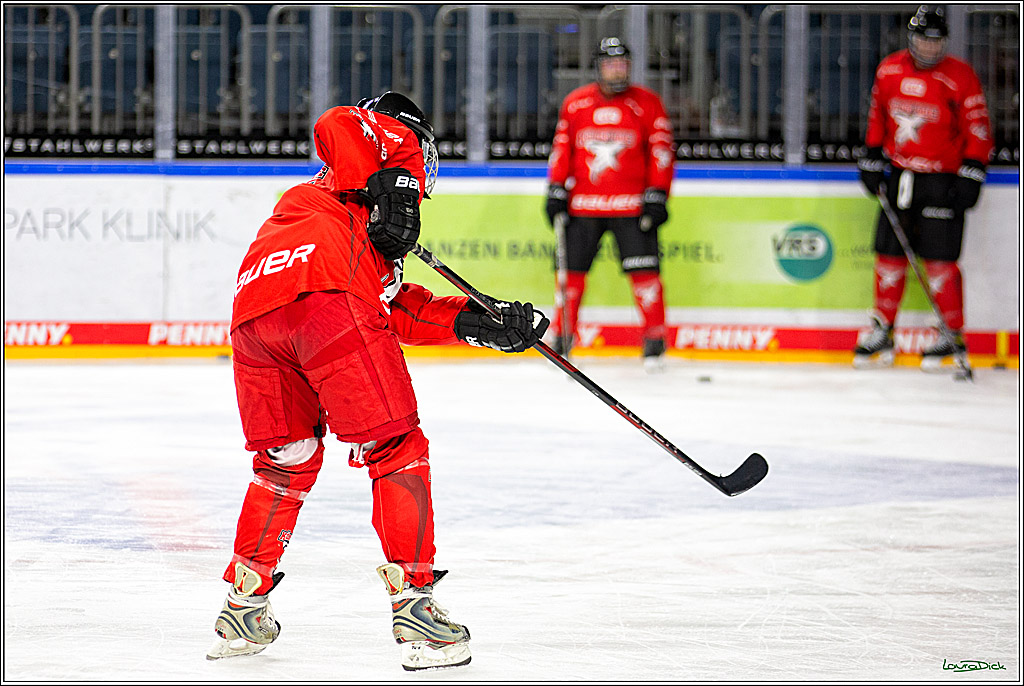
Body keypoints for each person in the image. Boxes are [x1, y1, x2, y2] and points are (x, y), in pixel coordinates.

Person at [205, 91, 549, 671]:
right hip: (327, 302)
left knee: (286, 462)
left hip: (255, 318)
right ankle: (415, 606)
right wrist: (398, 185)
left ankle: (243, 605)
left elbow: (392, 308)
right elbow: (338, 121)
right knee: (398, 448)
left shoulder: (327, 211)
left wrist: (478, 323)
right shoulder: (374, 163)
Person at [854, 5, 993, 371]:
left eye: (936, 43)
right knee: (889, 255)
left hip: (941, 180)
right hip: (901, 176)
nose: (929, 49)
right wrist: (871, 156)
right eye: (923, 41)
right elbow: (877, 116)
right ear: (911, 39)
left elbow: (978, 127)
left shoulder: (960, 77)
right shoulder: (889, 69)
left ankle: (950, 334)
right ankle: (883, 331)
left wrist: (973, 169)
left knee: (940, 261)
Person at [544, 36, 675, 371]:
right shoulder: (576, 104)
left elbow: (661, 151)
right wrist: (556, 188)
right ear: (598, 67)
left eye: (622, 64)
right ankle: (563, 337)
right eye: (610, 64)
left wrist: (658, 193)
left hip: (631, 207)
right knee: (570, 276)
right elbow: (562, 150)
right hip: (584, 205)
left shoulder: (647, 103)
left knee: (645, 276)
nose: (617, 71)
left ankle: (654, 341)